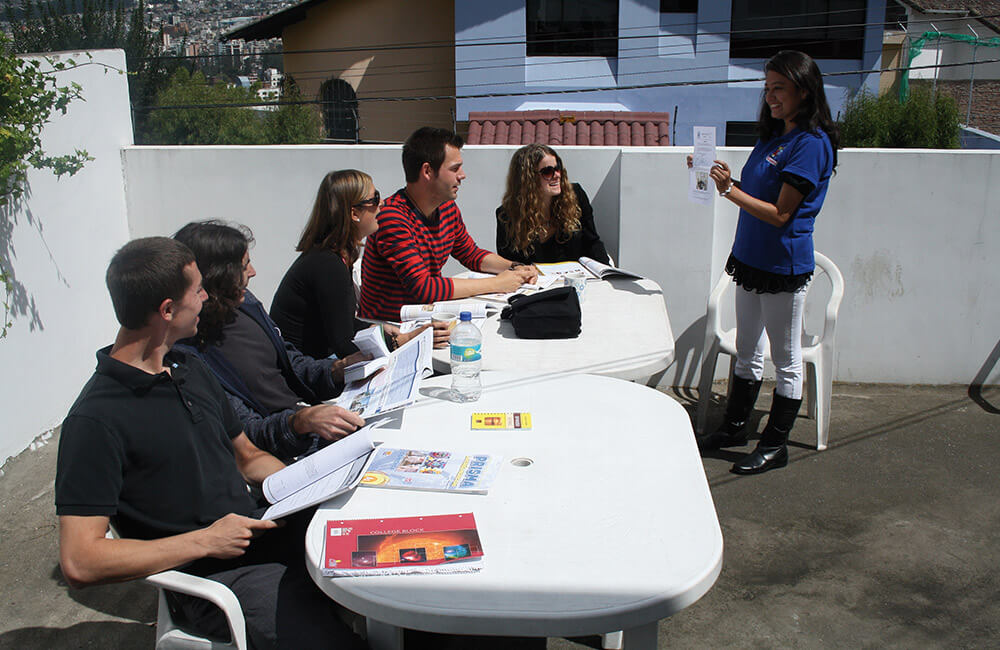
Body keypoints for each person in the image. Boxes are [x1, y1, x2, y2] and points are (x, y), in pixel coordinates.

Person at [55, 237, 365, 649]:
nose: (207, 297)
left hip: (264, 531)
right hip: (212, 576)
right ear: (167, 310)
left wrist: (314, 485)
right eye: (198, 290)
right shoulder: (96, 419)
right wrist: (205, 540)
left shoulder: (189, 368)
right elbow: (80, 560)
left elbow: (249, 458)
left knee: (401, 557)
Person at [693, 50, 839, 475]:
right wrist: (718, 175)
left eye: (780, 88)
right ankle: (735, 427)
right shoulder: (774, 138)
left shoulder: (811, 145)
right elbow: (757, 195)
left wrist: (728, 191)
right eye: (768, 88)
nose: (771, 97)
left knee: (786, 358)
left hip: (783, 267)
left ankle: (776, 446)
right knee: (746, 351)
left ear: (804, 91)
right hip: (750, 260)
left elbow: (780, 214)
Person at [173, 221, 365, 462]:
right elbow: (246, 432)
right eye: (243, 267)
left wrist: (339, 369)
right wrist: (299, 423)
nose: (253, 272)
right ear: (218, 277)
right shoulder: (190, 353)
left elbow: (291, 364)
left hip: (314, 423)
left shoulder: (244, 304)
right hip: (289, 452)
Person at [357, 126, 538, 322]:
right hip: (390, 331)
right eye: (454, 168)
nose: (462, 175)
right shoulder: (392, 217)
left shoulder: (447, 209)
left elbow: (471, 254)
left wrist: (515, 268)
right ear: (427, 171)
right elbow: (424, 288)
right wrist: (497, 283)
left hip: (424, 322)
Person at [270, 169, 450, 359]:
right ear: (354, 213)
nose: (381, 203)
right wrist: (407, 339)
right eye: (375, 198)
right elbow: (344, 344)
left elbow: (341, 322)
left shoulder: (332, 255)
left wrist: (381, 329)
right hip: (304, 372)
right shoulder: (328, 265)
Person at [496, 143, 610, 265]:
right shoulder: (507, 216)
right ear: (528, 179)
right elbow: (509, 263)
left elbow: (592, 242)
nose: (557, 175)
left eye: (558, 168)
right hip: (535, 282)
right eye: (548, 171)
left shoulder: (576, 196)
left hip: (576, 279)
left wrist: (607, 274)